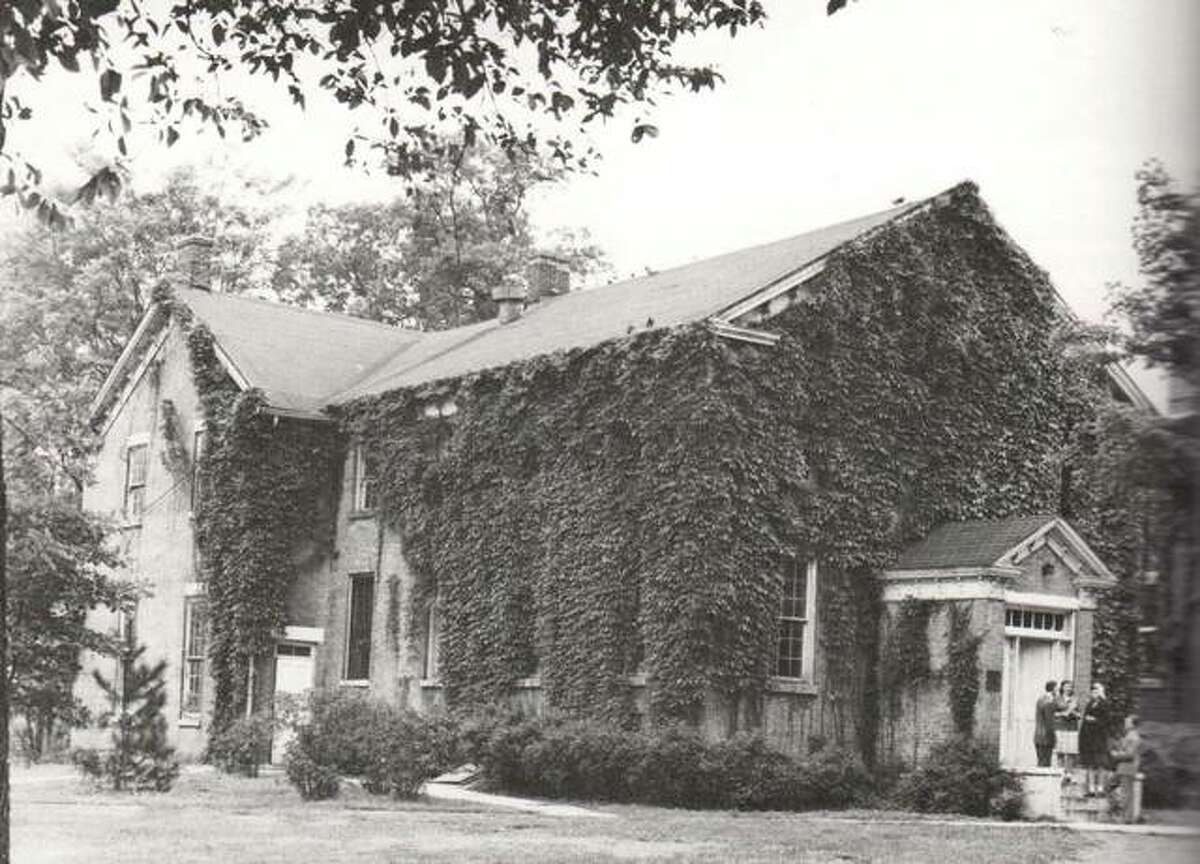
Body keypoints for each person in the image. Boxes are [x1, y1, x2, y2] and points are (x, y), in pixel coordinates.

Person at [1078, 681, 1112, 795]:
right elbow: (1085, 720)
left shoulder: (1105, 704)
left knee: (1100, 764)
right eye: (1093, 690)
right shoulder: (1090, 704)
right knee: (1090, 765)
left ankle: (1100, 788)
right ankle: (1091, 788)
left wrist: (1095, 720)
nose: (1094, 692)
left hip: (1099, 738)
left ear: (1101, 691)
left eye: (1096, 690)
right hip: (1089, 739)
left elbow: (1107, 721)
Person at [1110, 714, 1142, 823]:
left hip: (1127, 767)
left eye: (1127, 722)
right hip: (1122, 767)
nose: (1125, 724)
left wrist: (1116, 754)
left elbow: (1130, 754)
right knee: (1110, 787)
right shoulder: (1128, 735)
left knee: (1127, 793)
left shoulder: (1134, 737)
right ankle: (1119, 811)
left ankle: (1127, 818)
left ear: (1133, 724)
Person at [1054, 680, 1080, 769]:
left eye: (1070, 687)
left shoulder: (1075, 700)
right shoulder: (1057, 699)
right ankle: (1060, 770)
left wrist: (1072, 712)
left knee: (1071, 752)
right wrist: (1062, 714)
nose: (1068, 688)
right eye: (1066, 686)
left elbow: (1079, 715)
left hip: (1072, 728)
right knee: (1060, 751)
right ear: (1062, 688)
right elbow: (1053, 713)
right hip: (1060, 727)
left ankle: (1069, 771)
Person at [1034, 680, 1058, 767]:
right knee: (1046, 761)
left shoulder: (1041, 699)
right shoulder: (1049, 702)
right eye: (1056, 689)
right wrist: (1053, 736)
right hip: (1046, 736)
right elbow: (1049, 720)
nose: (1057, 691)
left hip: (1038, 735)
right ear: (1053, 689)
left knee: (1041, 760)